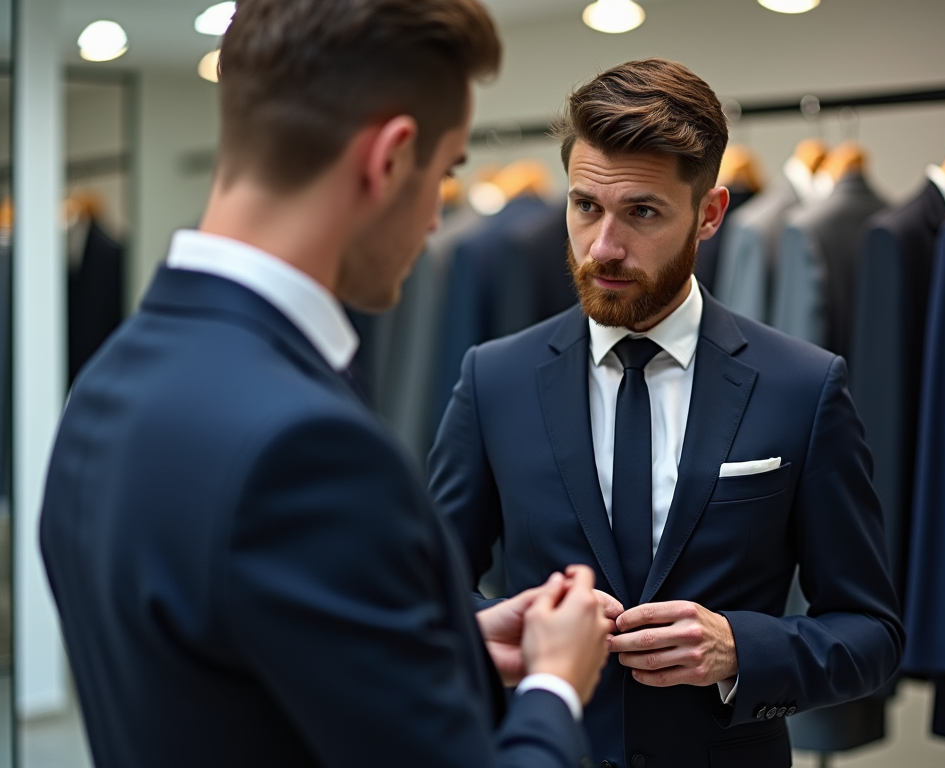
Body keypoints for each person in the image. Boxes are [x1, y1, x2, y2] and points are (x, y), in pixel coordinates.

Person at [39, 2, 612, 767]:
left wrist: (433, 640)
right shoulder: (307, 449)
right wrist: (555, 685)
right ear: (389, 159)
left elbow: (225, 663)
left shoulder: (108, 381)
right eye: (443, 177)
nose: (436, 224)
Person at [429, 58, 904, 768]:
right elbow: (425, 594)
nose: (604, 248)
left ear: (709, 214)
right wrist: (506, 641)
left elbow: (872, 633)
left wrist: (743, 649)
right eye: (585, 206)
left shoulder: (803, 386)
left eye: (642, 213)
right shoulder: (493, 378)